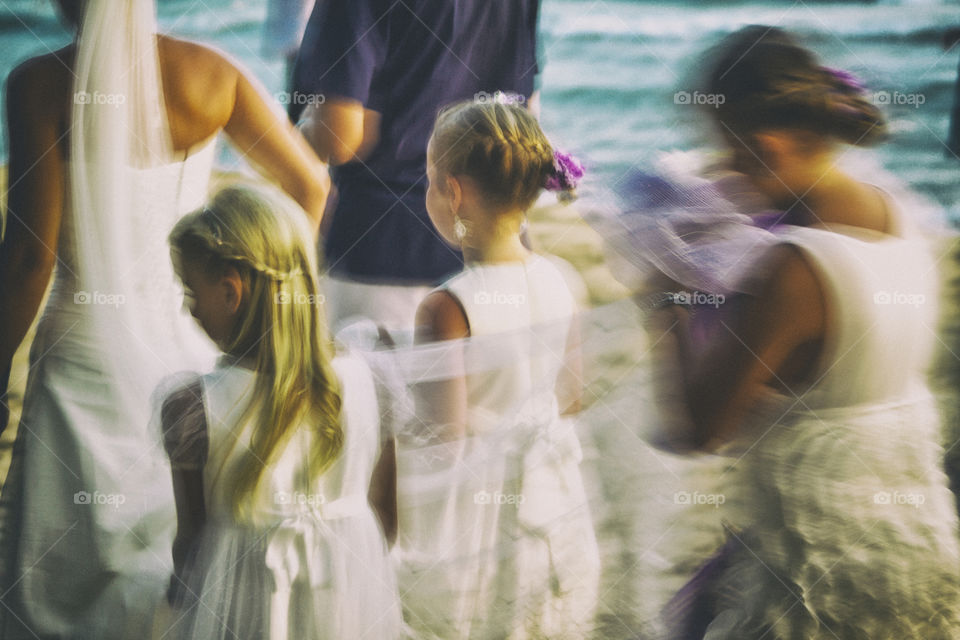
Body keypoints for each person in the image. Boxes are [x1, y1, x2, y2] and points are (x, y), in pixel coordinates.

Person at [0, 0, 328, 636]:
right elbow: (311, 187)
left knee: (61, 572)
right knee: (178, 537)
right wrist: (270, 315)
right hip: (189, 346)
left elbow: (28, 262)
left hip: (80, 354)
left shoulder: (36, 83)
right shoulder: (214, 75)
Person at [653, 26, 960, 638]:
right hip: (909, 544)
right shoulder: (899, 215)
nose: (725, 173)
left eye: (732, 155)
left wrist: (667, 299)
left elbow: (700, 428)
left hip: (809, 575)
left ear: (767, 147)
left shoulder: (795, 269)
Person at [387, 99, 599, 639]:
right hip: (553, 504)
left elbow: (444, 441)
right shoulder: (562, 278)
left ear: (453, 193)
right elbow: (570, 400)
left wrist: (386, 397)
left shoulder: (449, 307)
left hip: (478, 520)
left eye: (430, 181)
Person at [159, 184, 401, 639]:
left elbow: (191, 548)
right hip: (346, 606)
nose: (189, 311)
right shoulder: (372, 376)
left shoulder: (193, 407)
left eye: (192, 295)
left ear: (231, 292)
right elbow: (386, 522)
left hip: (240, 615)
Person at [292, 0, 542, 337]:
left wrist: (299, 126)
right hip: (498, 254)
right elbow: (522, 113)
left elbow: (340, 138)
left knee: (371, 385)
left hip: (383, 251)